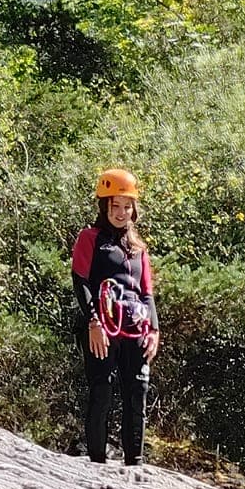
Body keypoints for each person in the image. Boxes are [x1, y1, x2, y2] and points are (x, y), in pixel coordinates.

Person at [71, 169, 161, 466]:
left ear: (135, 209)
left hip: (135, 330)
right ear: (104, 206)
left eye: (127, 206)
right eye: (116, 206)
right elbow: (81, 282)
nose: (122, 212)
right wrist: (93, 322)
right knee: (103, 390)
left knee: (138, 393)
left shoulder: (139, 249)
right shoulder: (91, 238)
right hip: (102, 328)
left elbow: (146, 293)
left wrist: (155, 330)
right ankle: (97, 462)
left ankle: (134, 463)